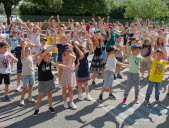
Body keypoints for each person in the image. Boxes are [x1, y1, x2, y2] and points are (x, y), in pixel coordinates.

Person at [33, 46, 68, 116]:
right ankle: (37, 108)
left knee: (50, 94)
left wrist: (64, 66)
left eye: (50, 56)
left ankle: (50, 106)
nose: (50, 57)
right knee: (40, 96)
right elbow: (42, 54)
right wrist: (50, 49)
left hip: (50, 80)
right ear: (43, 56)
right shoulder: (40, 62)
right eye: (48, 56)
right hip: (42, 82)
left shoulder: (49, 62)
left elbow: (57, 64)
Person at [19, 42, 35, 106]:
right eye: (27, 51)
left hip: (32, 74)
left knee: (31, 86)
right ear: (25, 52)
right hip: (26, 75)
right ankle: (22, 99)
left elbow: (39, 54)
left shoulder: (31, 56)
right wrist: (24, 46)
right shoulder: (23, 58)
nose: (29, 52)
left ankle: (30, 97)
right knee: (25, 88)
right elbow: (22, 52)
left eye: (29, 50)